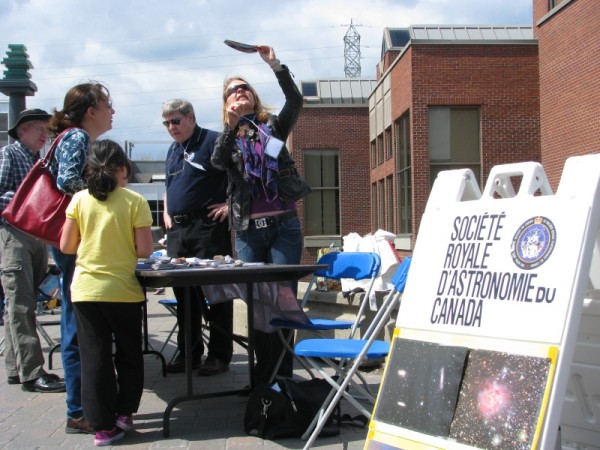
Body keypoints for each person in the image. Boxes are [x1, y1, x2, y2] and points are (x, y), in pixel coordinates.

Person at [211, 45, 305, 384]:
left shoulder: (273, 129)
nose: (240, 92)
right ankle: (263, 382)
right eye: (232, 91)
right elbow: (218, 161)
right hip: (249, 230)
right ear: (227, 105)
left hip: (283, 226)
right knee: (258, 305)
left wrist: (274, 65)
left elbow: (296, 100)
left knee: (282, 302)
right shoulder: (229, 138)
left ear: (253, 95)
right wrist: (232, 125)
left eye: (244, 87)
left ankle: (284, 380)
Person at [60, 139, 154, 447]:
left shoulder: (78, 200)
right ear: (122, 168)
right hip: (122, 289)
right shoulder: (134, 202)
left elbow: (65, 246)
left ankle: (101, 428)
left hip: (85, 289)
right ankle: (124, 414)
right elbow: (144, 249)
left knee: (94, 357)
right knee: (128, 353)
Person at [48, 82, 115, 434]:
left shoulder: (71, 137)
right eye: (107, 104)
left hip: (67, 243)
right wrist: (106, 196)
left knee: (76, 323)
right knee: (79, 327)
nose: (112, 111)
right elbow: (67, 180)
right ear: (91, 111)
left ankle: (80, 406)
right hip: (73, 243)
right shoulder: (76, 138)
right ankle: (79, 410)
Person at [161, 98, 234, 375]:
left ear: (191, 116)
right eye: (167, 123)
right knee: (184, 295)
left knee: (216, 293)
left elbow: (240, 177)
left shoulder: (214, 141)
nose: (171, 127)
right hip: (178, 231)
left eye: (176, 121)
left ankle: (219, 355)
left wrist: (229, 205)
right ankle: (189, 352)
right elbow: (168, 184)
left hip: (207, 228)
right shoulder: (173, 148)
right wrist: (167, 212)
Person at [0, 109, 66, 393]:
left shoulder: (38, 160)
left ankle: (17, 369)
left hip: (34, 236)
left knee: (21, 303)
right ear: (23, 129)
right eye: (40, 130)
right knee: (21, 304)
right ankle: (32, 372)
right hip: (15, 234)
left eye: (47, 131)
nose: (45, 136)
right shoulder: (9, 155)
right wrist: (28, 204)